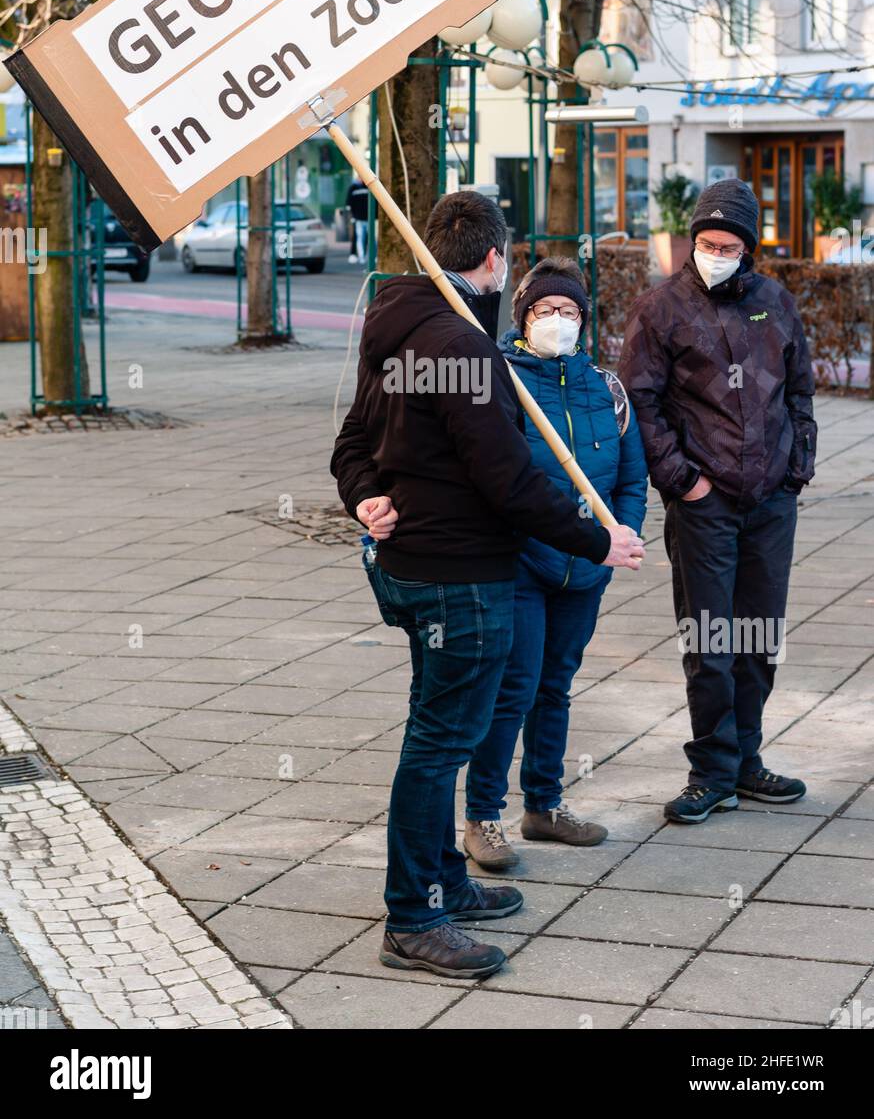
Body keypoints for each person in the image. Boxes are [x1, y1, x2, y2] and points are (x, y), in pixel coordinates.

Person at [331, 191, 645, 980]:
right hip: (459, 577)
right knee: (438, 748)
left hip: (411, 567)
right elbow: (506, 482)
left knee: (441, 732)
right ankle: (413, 916)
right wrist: (595, 538)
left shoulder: (395, 328)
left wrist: (364, 490)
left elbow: (353, 441)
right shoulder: (464, 347)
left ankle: (443, 880)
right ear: (496, 261)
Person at [619, 178, 816, 825]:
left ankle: (746, 761)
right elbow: (640, 403)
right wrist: (683, 481)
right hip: (703, 505)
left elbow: (800, 391)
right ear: (692, 239)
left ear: (748, 249)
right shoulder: (660, 310)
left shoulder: (775, 303)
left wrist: (795, 470)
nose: (716, 252)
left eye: (730, 244)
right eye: (707, 242)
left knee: (758, 637)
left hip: (770, 502)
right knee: (710, 640)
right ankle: (711, 771)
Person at [464, 258, 648, 869]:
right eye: (545, 311)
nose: (558, 321)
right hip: (526, 561)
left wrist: (623, 534)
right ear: (523, 318)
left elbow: (631, 475)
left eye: (569, 312)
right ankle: (483, 816)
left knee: (555, 687)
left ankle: (543, 805)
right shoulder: (504, 380)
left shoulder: (607, 387)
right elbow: (499, 477)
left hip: (588, 569)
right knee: (512, 688)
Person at [345, 178, 369, 263]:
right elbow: (348, 203)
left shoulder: (368, 187)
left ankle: (365, 255)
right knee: (359, 237)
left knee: (367, 238)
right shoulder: (353, 188)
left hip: (368, 219)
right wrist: (352, 217)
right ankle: (359, 256)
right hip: (358, 219)